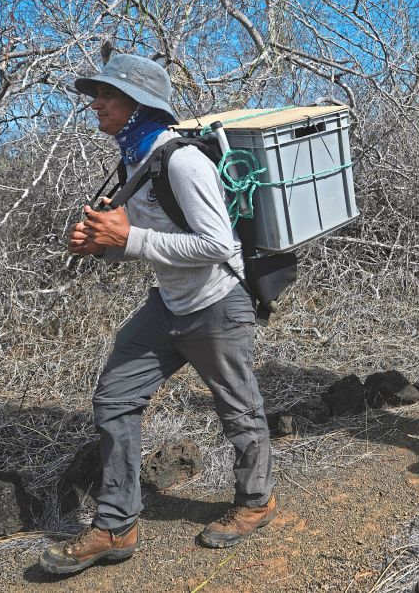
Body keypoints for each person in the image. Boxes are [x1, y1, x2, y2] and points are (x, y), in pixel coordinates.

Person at [40, 54, 276, 576]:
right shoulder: (135, 160)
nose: (95, 104)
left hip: (217, 303)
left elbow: (216, 244)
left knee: (239, 409)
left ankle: (256, 503)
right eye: (96, 95)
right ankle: (117, 524)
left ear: (139, 105)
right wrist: (102, 246)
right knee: (115, 397)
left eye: (107, 96)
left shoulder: (182, 162)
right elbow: (151, 242)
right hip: (167, 304)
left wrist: (126, 237)